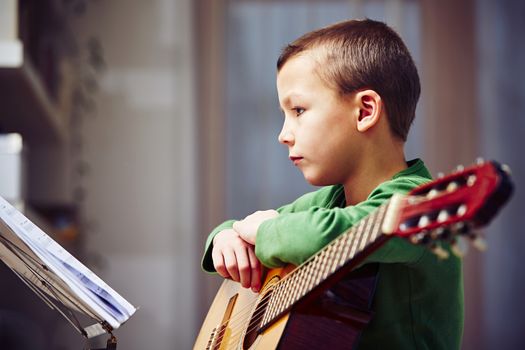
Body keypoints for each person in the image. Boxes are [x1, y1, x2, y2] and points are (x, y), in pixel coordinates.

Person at [201, 19, 463, 349]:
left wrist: (267, 232)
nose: (283, 135)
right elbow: (243, 229)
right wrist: (224, 236)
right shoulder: (327, 203)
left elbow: (341, 231)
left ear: (365, 111)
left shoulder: (419, 204)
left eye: (298, 110)